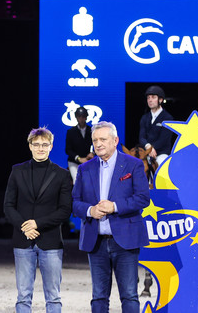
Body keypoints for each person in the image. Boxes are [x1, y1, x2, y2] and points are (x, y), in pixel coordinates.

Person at [71, 121, 150, 313]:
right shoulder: (84, 169)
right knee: (98, 297)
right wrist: (91, 211)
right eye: (95, 140)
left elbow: (143, 198)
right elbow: (74, 203)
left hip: (125, 241)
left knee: (129, 296)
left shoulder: (134, 165)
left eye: (103, 139)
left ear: (115, 141)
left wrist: (114, 206)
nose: (98, 144)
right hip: (96, 242)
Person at [3, 127, 73, 313]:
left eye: (44, 145)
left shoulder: (62, 174)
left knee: (53, 297)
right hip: (22, 239)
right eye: (36, 144)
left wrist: (37, 224)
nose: (40, 148)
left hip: (50, 241)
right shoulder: (17, 171)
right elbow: (8, 206)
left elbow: (65, 210)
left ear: (51, 146)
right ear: (30, 146)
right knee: (23, 296)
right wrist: (24, 227)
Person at [138, 85, 174, 166]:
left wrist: (152, 149)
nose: (150, 100)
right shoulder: (144, 117)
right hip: (147, 152)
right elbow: (141, 137)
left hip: (162, 153)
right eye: (148, 98)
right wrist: (148, 147)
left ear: (160, 100)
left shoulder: (168, 118)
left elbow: (163, 140)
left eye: (153, 97)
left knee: (161, 163)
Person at [65, 106, 94, 181]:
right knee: (76, 181)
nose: (81, 119)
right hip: (74, 162)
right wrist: (78, 158)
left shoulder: (92, 131)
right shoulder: (71, 132)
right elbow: (68, 149)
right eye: (79, 117)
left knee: (89, 181)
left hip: (88, 161)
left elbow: (95, 145)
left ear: (86, 117)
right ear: (76, 117)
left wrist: (93, 153)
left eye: (83, 116)